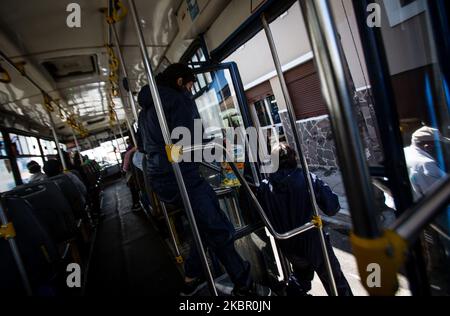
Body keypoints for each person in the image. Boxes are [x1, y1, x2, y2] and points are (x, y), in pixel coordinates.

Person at [138, 63, 269, 296]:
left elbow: (149, 145)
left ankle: (190, 278)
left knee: (203, 227)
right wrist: (219, 147)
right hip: (181, 176)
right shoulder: (178, 100)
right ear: (180, 82)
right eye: (189, 85)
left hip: (161, 178)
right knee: (219, 228)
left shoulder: (147, 107)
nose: (190, 90)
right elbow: (193, 142)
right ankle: (244, 285)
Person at [258, 143, 353, 296]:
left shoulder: (264, 187)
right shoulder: (307, 178)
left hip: (288, 244)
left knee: (302, 275)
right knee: (335, 282)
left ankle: (291, 292)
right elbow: (332, 207)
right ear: (294, 158)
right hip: (313, 239)